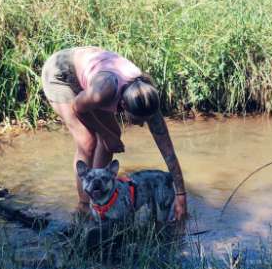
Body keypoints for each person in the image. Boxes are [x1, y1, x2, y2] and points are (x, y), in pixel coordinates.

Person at [41, 46, 187, 220]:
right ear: (123, 105)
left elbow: (168, 151)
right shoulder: (105, 91)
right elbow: (78, 107)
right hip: (60, 73)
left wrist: (181, 194)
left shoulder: (147, 97)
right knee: (87, 140)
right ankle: (85, 208)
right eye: (137, 120)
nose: (141, 125)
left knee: (113, 135)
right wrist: (105, 135)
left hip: (93, 78)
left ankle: (101, 202)